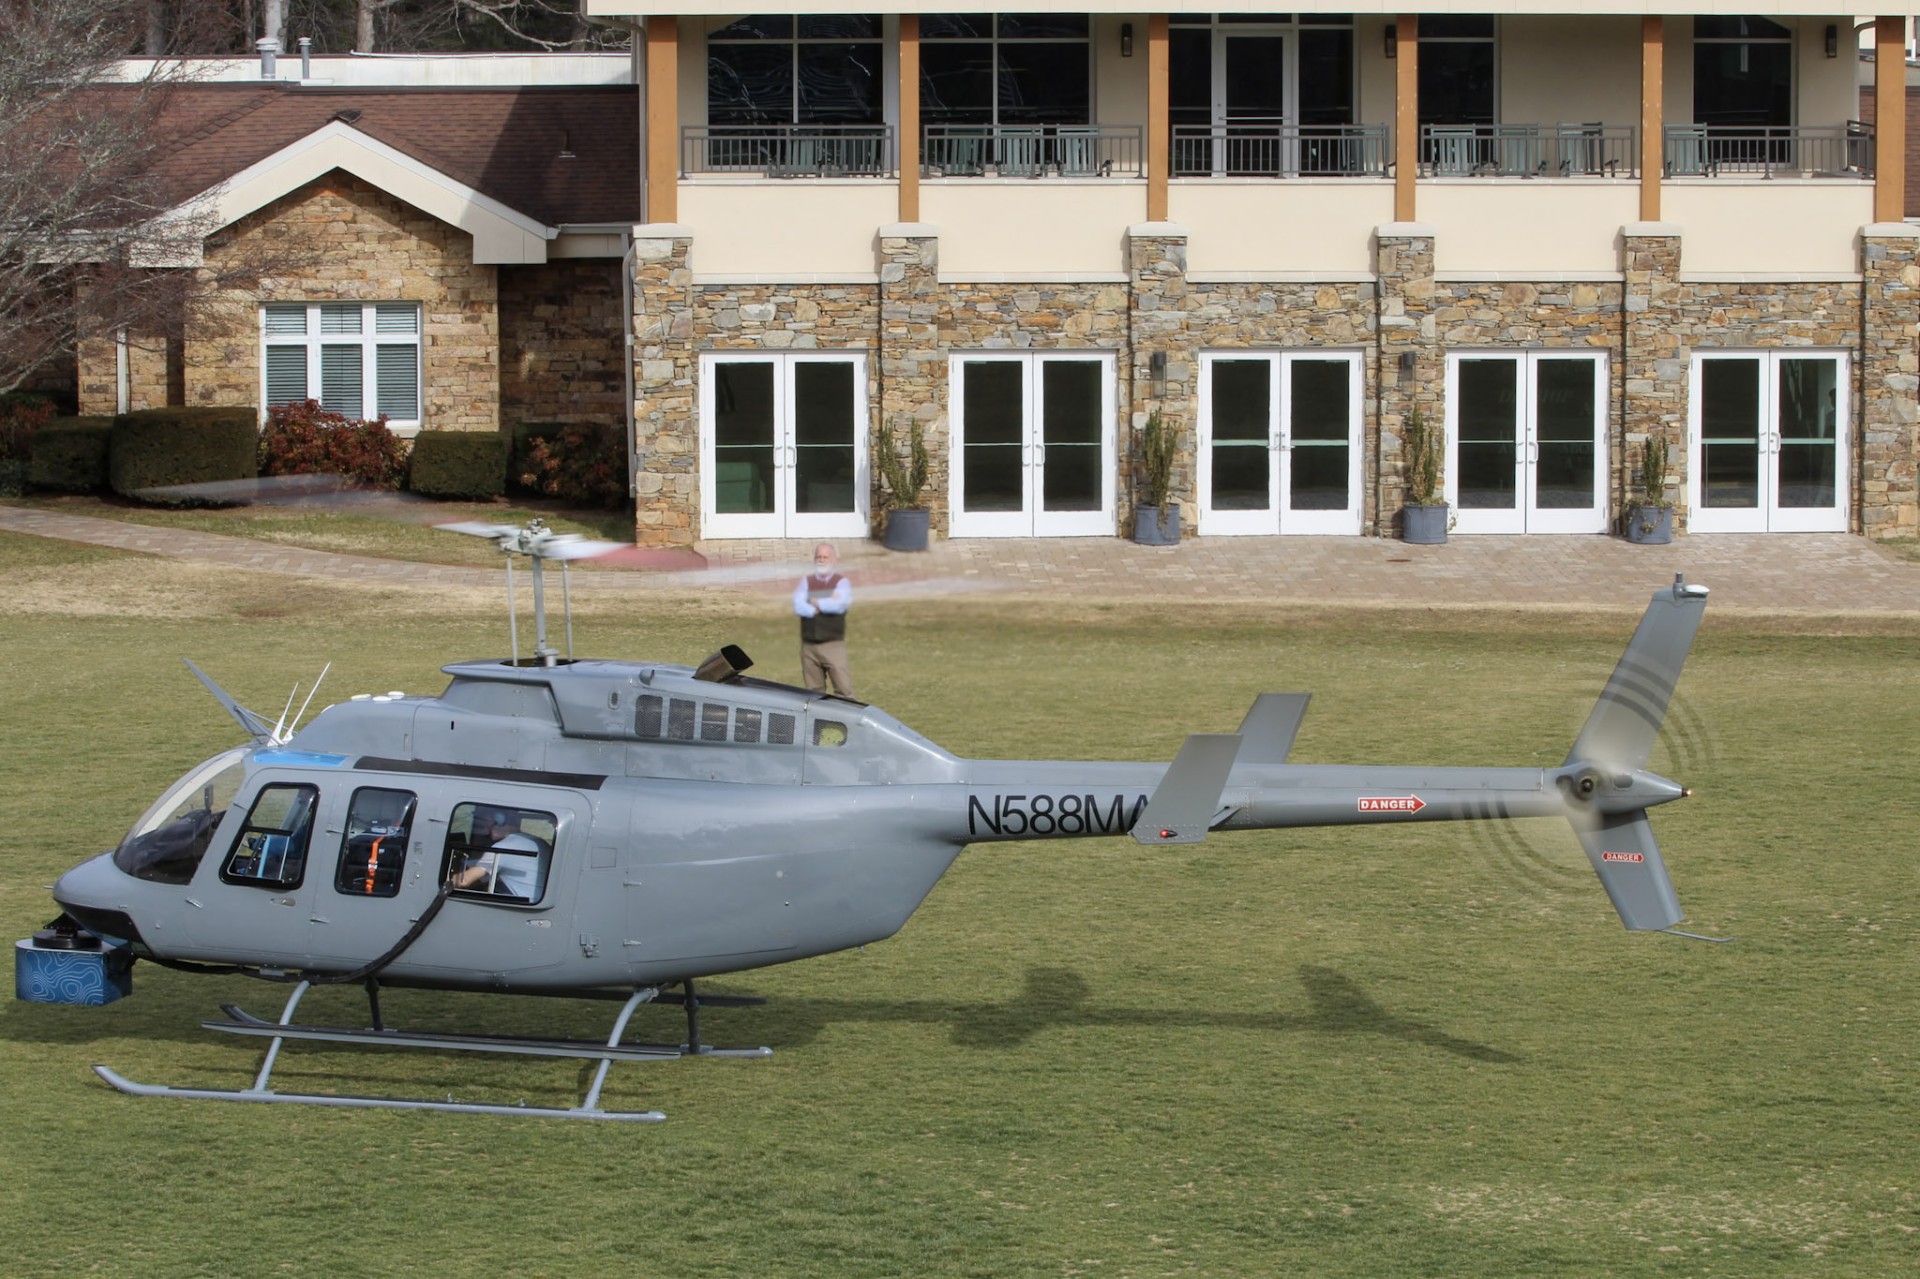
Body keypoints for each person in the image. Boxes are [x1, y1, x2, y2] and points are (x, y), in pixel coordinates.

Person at [793, 541, 855, 697]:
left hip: (832, 645)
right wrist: (818, 606)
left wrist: (814, 601)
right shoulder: (806, 581)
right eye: (818, 557)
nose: (821, 560)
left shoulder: (842, 582)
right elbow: (798, 606)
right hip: (809, 647)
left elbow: (839, 605)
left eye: (825, 557)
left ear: (834, 560)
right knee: (813, 693)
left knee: (844, 690)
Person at [451, 809, 543, 898]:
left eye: (485, 822)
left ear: (500, 820)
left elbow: (463, 880)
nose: (486, 828)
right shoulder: (537, 842)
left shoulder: (504, 846)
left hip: (518, 905)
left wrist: (450, 878)